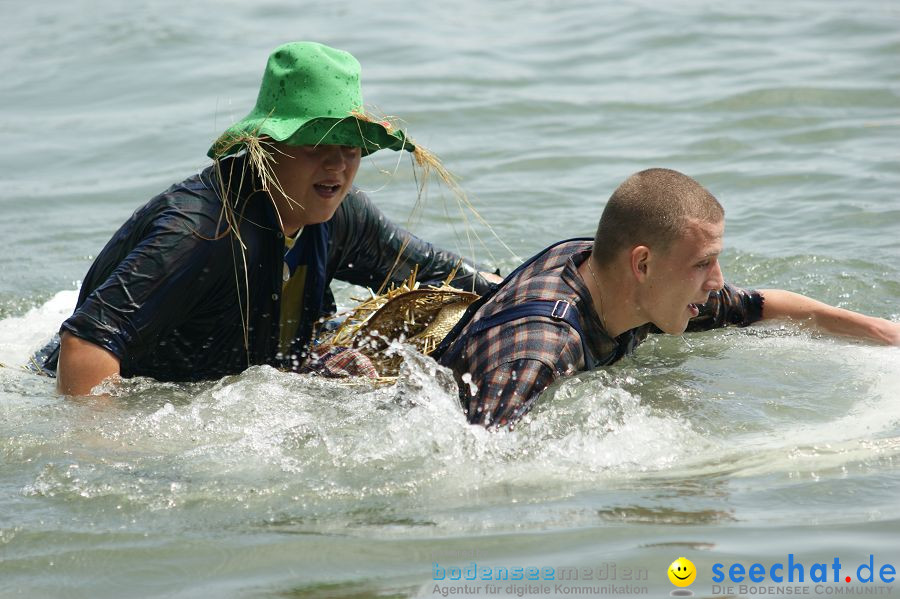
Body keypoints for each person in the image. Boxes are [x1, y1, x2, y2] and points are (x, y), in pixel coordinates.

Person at [41, 41, 499, 395]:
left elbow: (435, 272)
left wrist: (531, 288)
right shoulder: (200, 229)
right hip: (96, 382)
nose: (337, 165)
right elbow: (86, 344)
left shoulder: (341, 217)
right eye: (314, 143)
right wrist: (109, 456)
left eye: (349, 146)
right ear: (266, 146)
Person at [435, 168, 900, 429]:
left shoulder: (625, 279)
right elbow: (477, 465)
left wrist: (883, 332)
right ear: (642, 264)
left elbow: (759, 305)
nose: (717, 281)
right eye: (703, 263)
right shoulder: (539, 352)